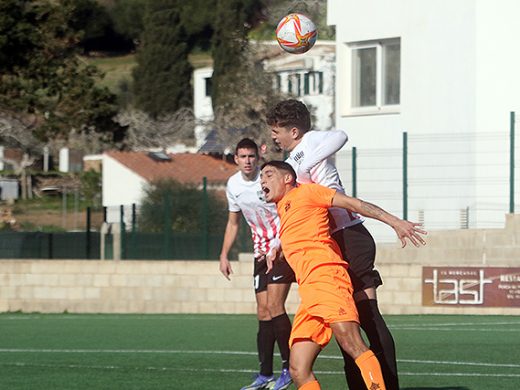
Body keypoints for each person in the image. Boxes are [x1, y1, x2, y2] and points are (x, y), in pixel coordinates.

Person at [266, 99, 401, 389]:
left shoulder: (311, 144)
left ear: (293, 130)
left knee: (367, 316)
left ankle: (387, 384)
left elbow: (341, 136)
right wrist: (277, 242)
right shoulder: (289, 167)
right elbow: (294, 214)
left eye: (276, 130)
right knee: (342, 323)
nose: (273, 137)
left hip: (350, 235)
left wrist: (305, 163)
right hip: (330, 239)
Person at [260, 161, 426, 390]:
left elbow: (355, 204)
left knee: (352, 342)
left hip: (327, 277)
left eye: (268, 175)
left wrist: (395, 222)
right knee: (298, 367)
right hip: (309, 292)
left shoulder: (308, 192)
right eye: (261, 177)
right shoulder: (283, 209)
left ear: (287, 178)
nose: (262, 181)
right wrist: (279, 248)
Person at [219, 138, 295, 390]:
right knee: (262, 312)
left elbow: (288, 210)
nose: (248, 161)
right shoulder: (233, 185)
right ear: (236, 159)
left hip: (280, 250)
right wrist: (223, 254)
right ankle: (265, 375)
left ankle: (289, 368)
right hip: (260, 253)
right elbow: (233, 223)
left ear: (258, 157)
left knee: (275, 306)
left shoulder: (269, 180)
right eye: (243, 157)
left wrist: (281, 243)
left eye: (252, 156)